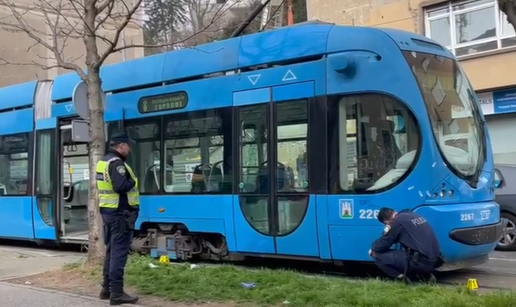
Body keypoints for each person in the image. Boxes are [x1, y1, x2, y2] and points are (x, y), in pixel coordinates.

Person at [97, 132, 140, 305]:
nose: (129, 148)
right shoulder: (117, 164)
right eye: (128, 145)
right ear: (121, 146)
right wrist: (133, 181)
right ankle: (117, 293)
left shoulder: (104, 161)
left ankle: (106, 289)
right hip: (120, 214)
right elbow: (121, 186)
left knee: (111, 252)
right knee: (119, 255)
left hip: (109, 213)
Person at [368, 207, 441, 283]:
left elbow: (383, 244)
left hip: (421, 262)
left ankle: (404, 279)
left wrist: (372, 248)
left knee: (376, 255)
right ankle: (425, 275)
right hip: (435, 260)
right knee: (407, 253)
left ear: (386, 222)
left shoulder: (395, 222)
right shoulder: (412, 215)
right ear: (394, 211)